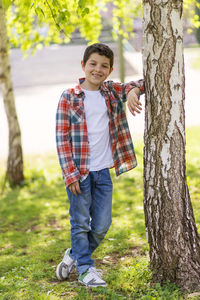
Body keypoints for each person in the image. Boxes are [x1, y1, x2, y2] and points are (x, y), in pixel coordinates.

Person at [55, 43, 145, 287]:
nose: (98, 69)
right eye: (93, 64)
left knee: (103, 224)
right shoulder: (69, 97)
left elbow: (141, 82)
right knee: (81, 223)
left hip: (103, 171)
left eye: (104, 66)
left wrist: (133, 91)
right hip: (80, 174)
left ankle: (74, 254)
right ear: (83, 65)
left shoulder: (110, 91)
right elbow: (61, 138)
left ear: (110, 69)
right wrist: (69, 174)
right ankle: (85, 270)